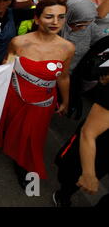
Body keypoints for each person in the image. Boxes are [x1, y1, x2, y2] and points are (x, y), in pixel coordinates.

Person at [0, 0, 75, 187]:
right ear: (37, 19)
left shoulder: (67, 48)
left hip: (42, 102)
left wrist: (65, 101)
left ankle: (23, 165)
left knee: (32, 136)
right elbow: (7, 66)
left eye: (61, 17)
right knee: (11, 127)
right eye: (49, 17)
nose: (55, 22)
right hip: (15, 96)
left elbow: (63, 77)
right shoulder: (19, 42)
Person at [54, 42, 109, 207]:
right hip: (101, 143)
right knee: (72, 174)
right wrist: (89, 173)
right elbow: (88, 133)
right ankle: (63, 195)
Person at [60, 0, 105, 73]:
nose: (83, 28)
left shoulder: (91, 27)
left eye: (87, 24)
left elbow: (103, 41)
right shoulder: (56, 27)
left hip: (77, 74)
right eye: (79, 24)